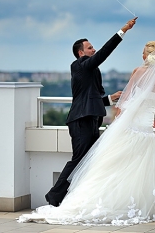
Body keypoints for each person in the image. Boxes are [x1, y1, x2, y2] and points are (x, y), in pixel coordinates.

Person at [18, 21, 155, 226]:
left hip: (130, 128)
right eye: (89, 47)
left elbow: (125, 103)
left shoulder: (137, 73)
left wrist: (116, 119)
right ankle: (123, 203)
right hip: (146, 132)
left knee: (108, 168)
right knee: (131, 172)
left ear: (144, 56)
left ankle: (85, 199)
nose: (93, 49)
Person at [44, 17, 138, 207]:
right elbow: (102, 54)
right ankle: (54, 196)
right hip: (81, 120)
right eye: (89, 48)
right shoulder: (79, 65)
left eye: (93, 47)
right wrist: (122, 31)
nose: (93, 50)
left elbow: (90, 98)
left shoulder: (90, 70)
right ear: (81, 53)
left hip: (91, 119)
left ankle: (78, 197)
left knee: (91, 161)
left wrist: (110, 99)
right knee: (78, 160)